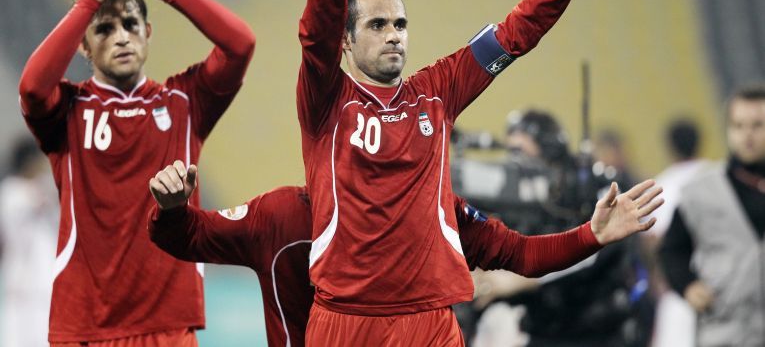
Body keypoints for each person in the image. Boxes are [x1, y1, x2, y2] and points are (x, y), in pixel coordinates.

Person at [297, 0, 659, 345]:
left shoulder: (436, 91)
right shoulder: (325, 99)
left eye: (400, 24)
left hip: (428, 323)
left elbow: (516, 33)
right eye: (377, 24)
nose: (393, 35)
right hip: (345, 321)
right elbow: (314, 33)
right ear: (345, 41)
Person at [17, 0, 256, 346]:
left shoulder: (184, 102)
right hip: (86, 328)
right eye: (104, 29)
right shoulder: (67, 110)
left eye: (130, 24)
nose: (121, 36)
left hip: (168, 326)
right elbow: (33, 88)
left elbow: (241, 44)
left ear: (148, 32)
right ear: (84, 47)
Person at [145, 160, 663, 347]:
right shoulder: (278, 216)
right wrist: (170, 210)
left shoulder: (430, 206)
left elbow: (519, 254)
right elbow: (187, 237)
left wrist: (589, 236)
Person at [472, 110, 657, 347]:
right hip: (545, 328)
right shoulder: (519, 197)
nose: (517, 163)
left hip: (599, 330)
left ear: (550, 150)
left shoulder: (592, 185)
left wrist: (524, 279)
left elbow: (598, 250)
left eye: (521, 151)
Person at [659, 85, 765, 346]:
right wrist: (687, 285)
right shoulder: (700, 191)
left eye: (757, 125)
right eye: (738, 126)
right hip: (726, 329)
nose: (747, 135)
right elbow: (671, 250)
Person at [648, 119, 705, 347]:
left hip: (679, 289)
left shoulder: (662, 186)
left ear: (670, 147)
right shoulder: (717, 176)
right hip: (721, 288)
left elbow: (655, 241)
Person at [0, 136, 58, 347]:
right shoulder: (11, 191)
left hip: (44, 284)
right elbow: (33, 200)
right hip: (21, 286)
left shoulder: (43, 188)